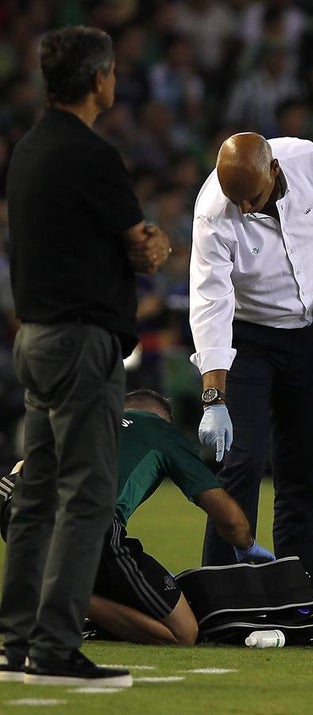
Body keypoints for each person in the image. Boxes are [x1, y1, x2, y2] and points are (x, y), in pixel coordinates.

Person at [0, 26, 170, 687]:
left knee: (36, 495)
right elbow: (140, 243)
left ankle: (15, 641)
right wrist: (151, 247)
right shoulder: (95, 156)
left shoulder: (27, 149)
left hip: (34, 339)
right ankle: (56, 646)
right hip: (81, 344)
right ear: (100, 79)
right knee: (87, 496)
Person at [190, 132, 313, 594]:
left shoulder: (307, 158)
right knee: (241, 465)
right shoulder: (212, 213)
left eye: (253, 198)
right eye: (236, 199)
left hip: (308, 334)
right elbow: (210, 306)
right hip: (249, 339)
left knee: (302, 470)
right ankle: (220, 593)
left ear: (276, 171)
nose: (244, 208)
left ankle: (298, 594)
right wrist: (213, 398)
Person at [0, 390, 273, 646]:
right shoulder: (160, 431)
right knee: (183, 632)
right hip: (84, 519)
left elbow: (23, 467)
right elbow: (230, 519)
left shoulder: (86, 420)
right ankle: (59, 596)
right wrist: (248, 545)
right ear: (162, 418)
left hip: (14, 500)